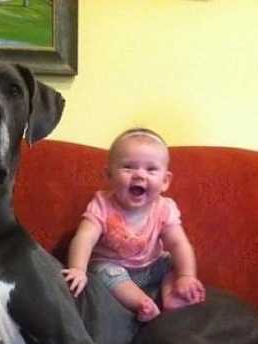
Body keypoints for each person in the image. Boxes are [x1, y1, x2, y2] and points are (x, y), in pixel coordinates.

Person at [65, 127, 205, 326]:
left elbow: (178, 244)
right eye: (128, 167)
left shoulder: (165, 208)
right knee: (103, 270)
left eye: (151, 169)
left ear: (165, 181)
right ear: (109, 175)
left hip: (152, 267)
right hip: (116, 270)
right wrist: (77, 268)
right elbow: (84, 238)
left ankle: (171, 297)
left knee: (173, 261)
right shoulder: (102, 204)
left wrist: (186, 276)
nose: (139, 175)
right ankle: (141, 303)